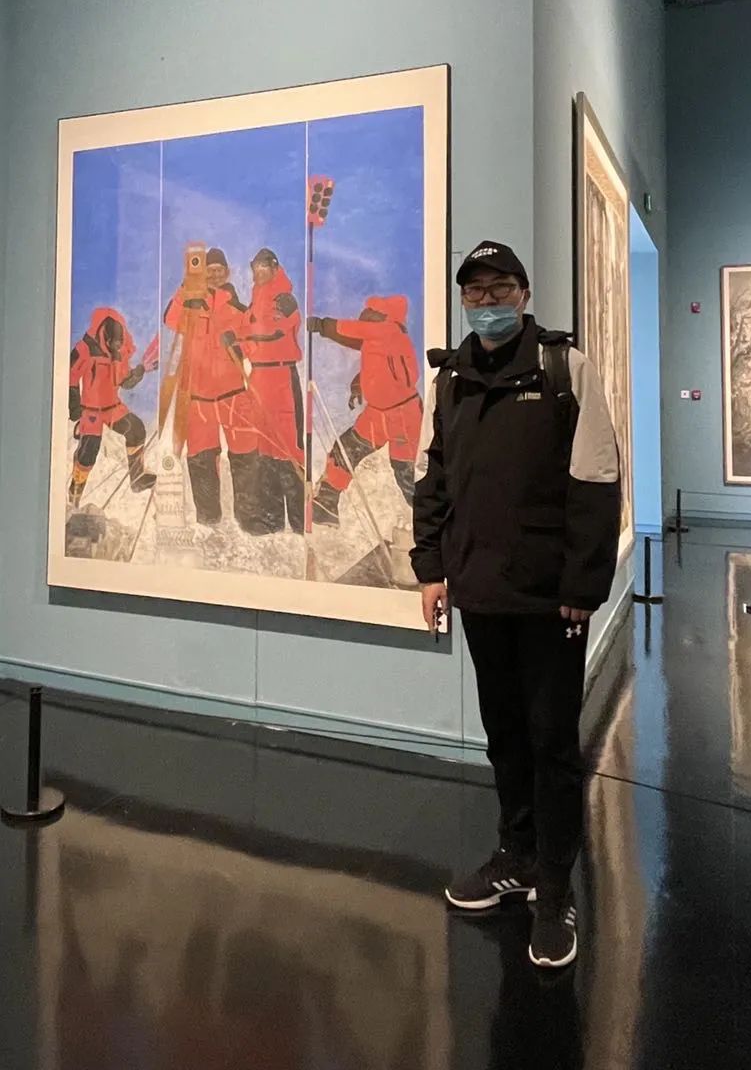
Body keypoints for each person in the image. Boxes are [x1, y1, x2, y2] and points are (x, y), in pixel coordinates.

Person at [412, 241, 620, 971]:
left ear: (524, 295)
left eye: (500, 289)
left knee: (552, 741)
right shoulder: (449, 379)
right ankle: (518, 855)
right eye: (474, 293)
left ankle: (555, 886)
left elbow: (596, 481)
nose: (487, 303)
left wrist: (582, 588)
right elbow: (431, 479)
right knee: (503, 734)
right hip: (479, 592)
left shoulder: (566, 369)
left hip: (550, 602)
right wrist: (431, 570)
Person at [164, 248, 258, 528]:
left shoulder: (238, 309)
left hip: (233, 395)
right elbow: (170, 319)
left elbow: (255, 340)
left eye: (220, 270)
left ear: (227, 273)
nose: (215, 275)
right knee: (201, 458)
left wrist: (240, 347)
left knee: (245, 454)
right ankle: (209, 522)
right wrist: (186, 287)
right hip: (199, 398)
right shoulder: (191, 305)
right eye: (210, 270)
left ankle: (249, 520)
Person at [306, 295, 421, 523]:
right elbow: (374, 359)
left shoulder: (389, 330)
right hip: (378, 415)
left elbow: (351, 330)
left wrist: (322, 325)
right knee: (345, 450)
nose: (363, 314)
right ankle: (326, 506)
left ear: (381, 315)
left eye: (369, 311)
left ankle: (432, 521)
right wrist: (360, 385)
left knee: (406, 473)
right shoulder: (380, 338)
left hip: (403, 417)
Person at [233, 248, 304, 535]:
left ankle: (300, 523)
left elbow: (278, 330)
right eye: (255, 267)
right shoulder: (255, 301)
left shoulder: (283, 297)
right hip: (259, 378)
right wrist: (236, 340)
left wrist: (243, 337)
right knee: (264, 448)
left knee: (288, 449)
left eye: (264, 267)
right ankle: (272, 523)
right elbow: (247, 334)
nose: (259, 272)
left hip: (281, 377)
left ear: (275, 267)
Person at [68, 307, 155, 507]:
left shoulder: (120, 352)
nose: (117, 347)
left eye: (119, 343)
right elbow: (70, 375)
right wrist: (74, 407)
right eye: (114, 343)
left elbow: (124, 381)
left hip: (113, 407)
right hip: (90, 410)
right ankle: (75, 492)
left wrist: (139, 372)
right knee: (89, 451)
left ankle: (137, 478)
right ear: (105, 337)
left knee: (136, 429)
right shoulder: (85, 348)